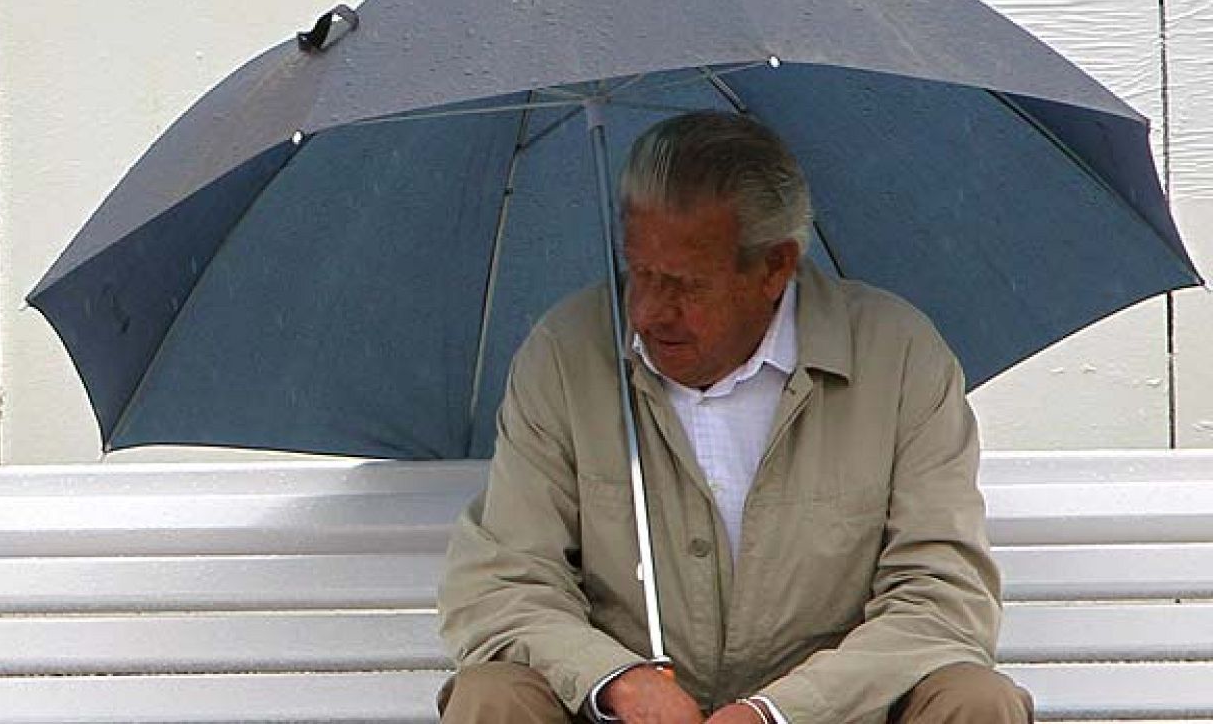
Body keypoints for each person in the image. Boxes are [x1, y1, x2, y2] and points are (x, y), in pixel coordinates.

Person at [436, 111, 1034, 724]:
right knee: (492, 694)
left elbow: (942, 600)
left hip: (833, 717)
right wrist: (617, 681)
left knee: (974, 699)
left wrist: (776, 712)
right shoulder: (564, 354)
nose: (647, 312)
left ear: (776, 267)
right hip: (626, 718)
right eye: (639, 272)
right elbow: (503, 582)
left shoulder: (899, 355)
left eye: (685, 286)